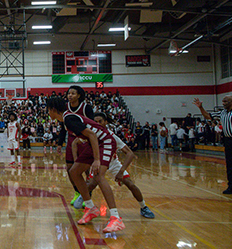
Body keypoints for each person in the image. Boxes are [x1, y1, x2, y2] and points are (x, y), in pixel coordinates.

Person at [47, 97, 125, 233]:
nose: (47, 112)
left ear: (53, 110)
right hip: (92, 143)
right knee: (74, 172)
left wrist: (96, 160)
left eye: (48, 109)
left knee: (99, 175)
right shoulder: (67, 120)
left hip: (104, 142)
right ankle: (90, 208)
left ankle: (116, 218)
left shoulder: (69, 119)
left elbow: (93, 135)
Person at [74, 112, 155, 219]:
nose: (98, 123)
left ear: (106, 122)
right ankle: (84, 198)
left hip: (112, 163)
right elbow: (75, 143)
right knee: (90, 185)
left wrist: (121, 171)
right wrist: (77, 160)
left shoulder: (112, 136)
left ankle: (143, 206)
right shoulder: (90, 134)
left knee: (131, 184)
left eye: (100, 121)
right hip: (99, 163)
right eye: (96, 122)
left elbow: (130, 153)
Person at [194, 96, 232, 194]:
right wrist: (200, 107)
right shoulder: (222, 112)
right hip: (228, 140)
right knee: (231, 165)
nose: (223, 103)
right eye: (223, 101)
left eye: (225, 101)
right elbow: (208, 116)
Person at [57, 85, 94, 206]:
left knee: (87, 169)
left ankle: (87, 195)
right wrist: (59, 142)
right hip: (71, 140)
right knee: (69, 168)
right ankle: (78, 193)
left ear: (79, 95)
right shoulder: (65, 108)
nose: (70, 95)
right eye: (68, 93)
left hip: (85, 140)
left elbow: (92, 126)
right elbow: (63, 127)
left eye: (73, 93)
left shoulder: (86, 108)